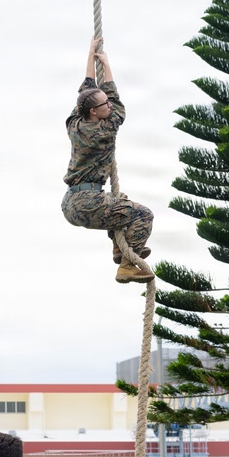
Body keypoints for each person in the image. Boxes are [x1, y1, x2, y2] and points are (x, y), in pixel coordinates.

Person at [61, 36, 155, 284]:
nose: (109, 107)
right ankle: (127, 266)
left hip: (71, 203)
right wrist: (108, 65)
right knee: (143, 215)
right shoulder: (105, 130)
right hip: (88, 203)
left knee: (121, 202)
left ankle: (119, 247)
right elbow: (116, 102)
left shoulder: (74, 124)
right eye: (104, 105)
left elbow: (86, 91)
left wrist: (91, 55)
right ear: (95, 111)